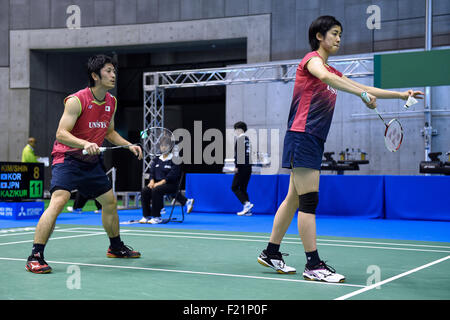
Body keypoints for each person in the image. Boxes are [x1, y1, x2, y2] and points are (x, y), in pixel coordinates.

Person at [256, 16, 424, 282]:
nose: (338, 39)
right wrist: (360, 95)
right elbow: (326, 77)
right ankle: (313, 265)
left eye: (340, 35)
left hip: (311, 138)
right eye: (334, 33)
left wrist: (402, 95)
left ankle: (270, 252)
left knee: (294, 199)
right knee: (309, 201)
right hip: (303, 135)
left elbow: (364, 87)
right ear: (319, 36)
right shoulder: (312, 60)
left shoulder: (334, 73)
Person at [25, 54, 143, 274]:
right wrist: (84, 143)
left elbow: (109, 132)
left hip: (91, 162)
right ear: (95, 75)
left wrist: (128, 145)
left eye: (114, 71)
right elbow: (61, 133)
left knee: (109, 202)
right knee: (58, 201)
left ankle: (115, 247)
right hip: (67, 159)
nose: (113, 75)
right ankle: (35, 255)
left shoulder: (111, 102)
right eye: (108, 70)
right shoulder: (76, 100)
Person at [139, 139, 194, 224]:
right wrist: (151, 181)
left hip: (171, 185)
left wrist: (159, 183)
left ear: (170, 147)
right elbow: (152, 172)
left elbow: (172, 175)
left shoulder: (175, 159)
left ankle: (157, 217)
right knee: (145, 190)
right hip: (157, 184)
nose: (163, 148)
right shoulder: (157, 159)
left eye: (166, 146)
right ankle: (146, 216)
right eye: (162, 146)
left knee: (156, 190)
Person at [231, 121, 254, 216]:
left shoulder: (240, 139)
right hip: (248, 166)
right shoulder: (247, 139)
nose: (235, 131)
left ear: (239, 129)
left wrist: (236, 166)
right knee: (243, 188)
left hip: (242, 167)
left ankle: (246, 204)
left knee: (234, 187)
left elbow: (239, 154)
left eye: (236, 129)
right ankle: (247, 209)